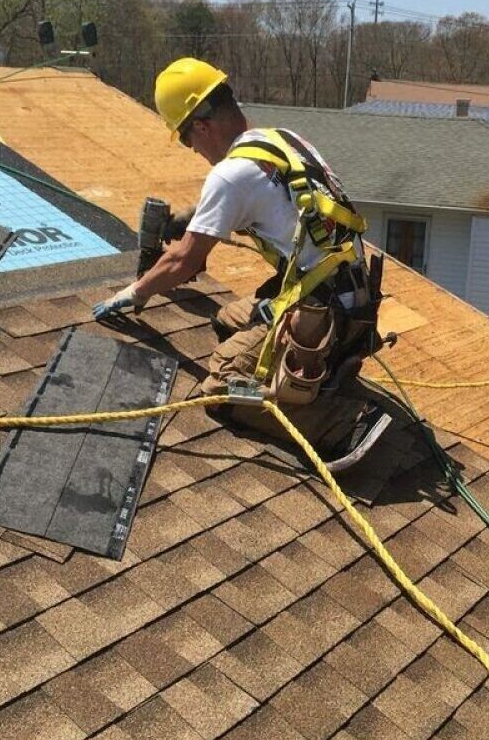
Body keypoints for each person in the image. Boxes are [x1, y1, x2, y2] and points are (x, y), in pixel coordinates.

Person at [93, 57, 390, 467]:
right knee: (227, 320)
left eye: (185, 138)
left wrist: (133, 293)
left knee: (220, 385)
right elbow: (257, 194)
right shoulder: (279, 140)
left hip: (325, 316)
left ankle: (346, 422)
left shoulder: (230, 175)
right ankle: (321, 369)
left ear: (201, 125)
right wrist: (191, 217)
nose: (192, 149)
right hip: (354, 299)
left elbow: (184, 262)